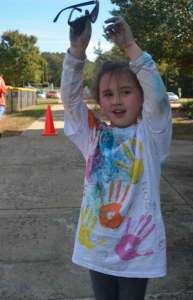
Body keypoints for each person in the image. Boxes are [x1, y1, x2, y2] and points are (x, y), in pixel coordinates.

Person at [61, 15, 172, 300]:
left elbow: (159, 98)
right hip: (96, 245)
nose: (117, 101)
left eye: (126, 92)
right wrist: (77, 51)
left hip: (138, 249)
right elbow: (71, 101)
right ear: (99, 101)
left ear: (141, 96)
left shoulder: (151, 136)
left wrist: (131, 47)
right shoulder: (94, 135)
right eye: (108, 94)